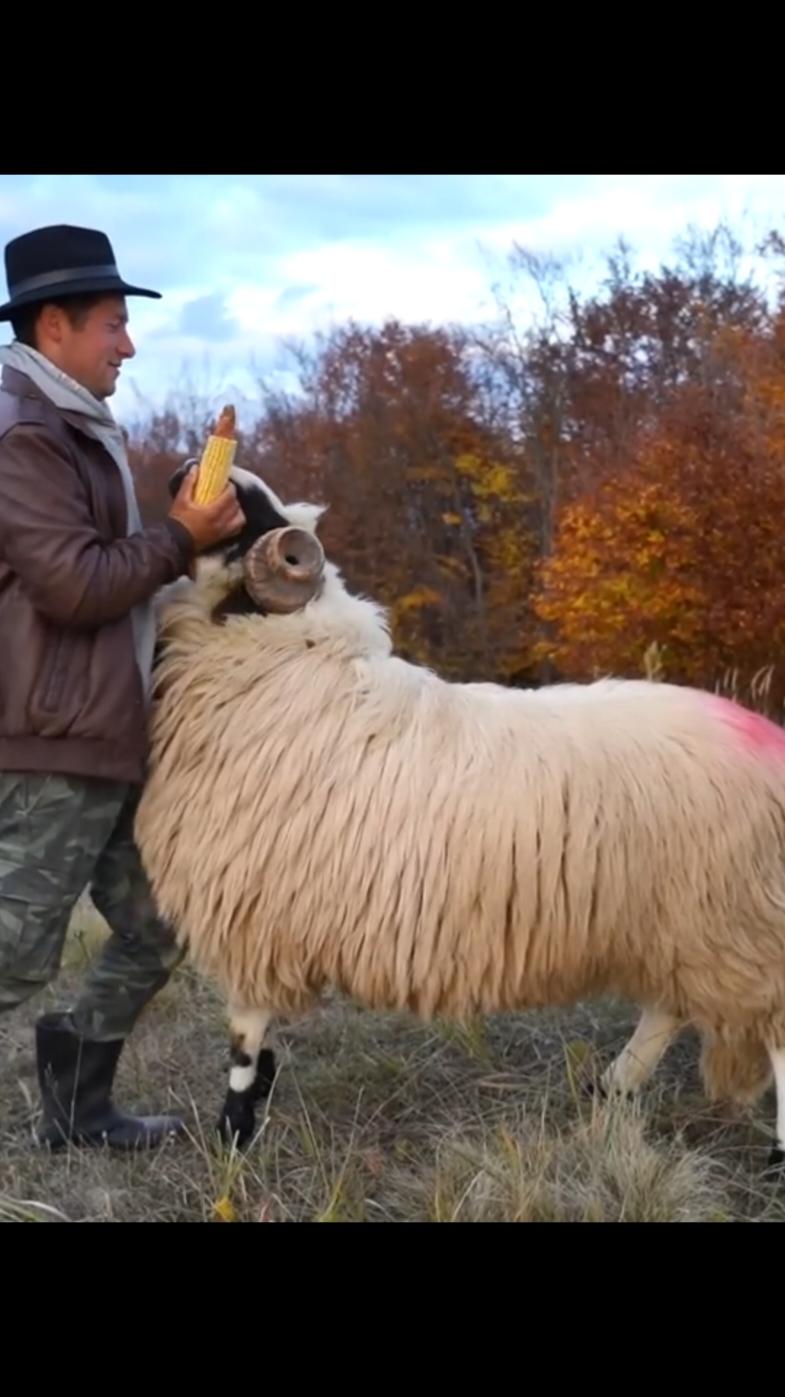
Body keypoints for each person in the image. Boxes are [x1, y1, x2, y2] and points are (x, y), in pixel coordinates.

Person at [0, 224, 245, 1150]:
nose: (128, 345)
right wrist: (181, 535)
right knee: (12, 958)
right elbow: (75, 583)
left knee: (157, 923)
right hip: (48, 743)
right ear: (54, 325)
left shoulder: (67, 423)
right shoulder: (22, 432)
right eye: (113, 324)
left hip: (104, 737)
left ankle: (78, 1101)